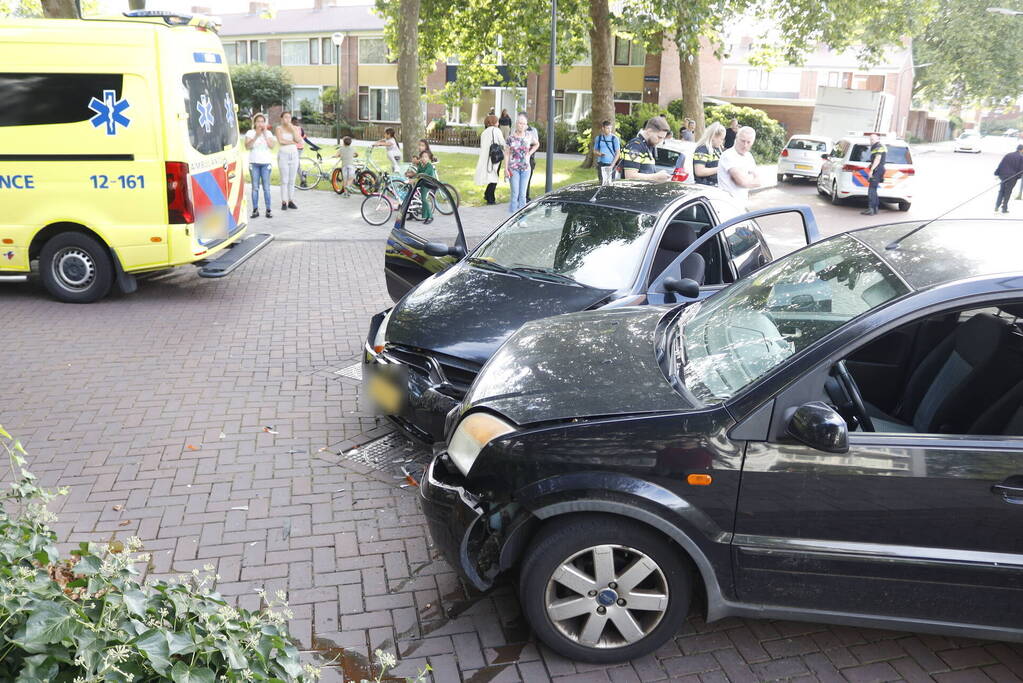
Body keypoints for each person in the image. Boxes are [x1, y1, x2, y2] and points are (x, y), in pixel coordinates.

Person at [717, 125, 760, 205]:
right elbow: (741, 182)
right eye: (742, 141)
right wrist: (749, 177)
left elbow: (759, 181)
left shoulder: (749, 156)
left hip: (742, 203)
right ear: (736, 138)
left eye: (748, 142)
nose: (745, 145)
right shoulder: (728, 155)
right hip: (726, 204)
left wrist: (745, 179)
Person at [245, 113, 276, 218]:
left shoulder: (269, 133)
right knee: (255, 188)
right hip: (254, 163)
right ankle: (255, 210)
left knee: (266, 188)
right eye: (258, 121)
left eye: (262, 121)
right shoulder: (250, 132)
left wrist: (265, 134)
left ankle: (268, 210)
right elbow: (247, 146)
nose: (260, 123)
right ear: (255, 123)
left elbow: (272, 146)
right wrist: (256, 136)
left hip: (266, 164)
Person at [621, 116, 670, 182]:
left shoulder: (647, 146)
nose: (660, 141)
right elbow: (630, 176)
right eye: (659, 137)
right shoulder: (635, 146)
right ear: (649, 131)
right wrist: (656, 176)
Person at [505, 113, 533, 213]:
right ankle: (511, 219)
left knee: (523, 194)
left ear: (526, 125)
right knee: (515, 193)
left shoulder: (529, 136)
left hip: (526, 169)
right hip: (513, 168)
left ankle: (521, 219)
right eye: (519, 123)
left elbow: (536, 144)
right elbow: (507, 154)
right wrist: (505, 169)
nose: (521, 125)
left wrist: (530, 153)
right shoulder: (510, 138)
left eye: (523, 123)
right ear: (516, 124)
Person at [474, 114, 505, 205]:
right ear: (494, 122)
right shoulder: (496, 130)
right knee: (494, 177)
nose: (498, 123)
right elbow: (502, 143)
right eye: (497, 121)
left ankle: (488, 195)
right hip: (495, 157)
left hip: (486, 157)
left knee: (491, 176)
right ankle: (490, 198)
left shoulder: (484, 132)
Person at [275, 111, 300, 210]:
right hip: (283, 155)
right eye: (285, 117)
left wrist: (293, 130)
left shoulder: (294, 128)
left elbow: (298, 140)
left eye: (289, 117)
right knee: (284, 180)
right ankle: (284, 201)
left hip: (294, 155)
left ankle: (291, 200)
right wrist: (292, 142)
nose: (287, 119)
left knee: (292, 180)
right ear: (281, 118)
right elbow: (281, 141)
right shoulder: (278, 128)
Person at [407, 149, 436, 224]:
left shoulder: (429, 166)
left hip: (426, 183)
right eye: (422, 157)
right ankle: (412, 213)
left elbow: (423, 175)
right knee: (410, 194)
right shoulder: (420, 164)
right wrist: (412, 177)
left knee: (424, 199)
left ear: (429, 158)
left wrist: (413, 180)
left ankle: (430, 217)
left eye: (426, 157)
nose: (424, 158)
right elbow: (418, 173)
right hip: (420, 181)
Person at [861, 133, 887, 216]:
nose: (871, 141)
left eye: (873, 139)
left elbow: (878, 158)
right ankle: (875, 208)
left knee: (871, 190)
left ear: (878, 139)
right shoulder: (877, 146)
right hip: (879, 169)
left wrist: (871, 170)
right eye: (870, 139)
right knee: (873, 189)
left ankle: (871, 209)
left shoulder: (879, 146)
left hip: (877, 170)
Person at [692, 121, 725, 187]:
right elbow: (699, 171)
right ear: (713, 136)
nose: (722, 142)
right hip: (705, 187)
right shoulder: (702, 149)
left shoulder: (717, 149)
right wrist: (720, 169)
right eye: (721, 139)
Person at [994, 144, 1023, 214]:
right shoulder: (1021, 157)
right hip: (1012, 177)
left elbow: (1001, 164)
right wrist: (1018, 177)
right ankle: (1004, 208)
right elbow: (1021, 169)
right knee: (1008, 192)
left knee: (1001, 191)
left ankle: (997, 206)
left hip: (1003, 176)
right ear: (1022, 150)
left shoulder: (1008, 155)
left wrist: (997, 173)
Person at [523, 117, 540, 201]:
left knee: (527, 178)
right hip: (518, 159)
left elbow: (536, 143)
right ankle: (522, 197)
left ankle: (526, 196)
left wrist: (529, 153)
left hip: (529, 158)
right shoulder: (516, 131)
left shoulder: (532, 131)